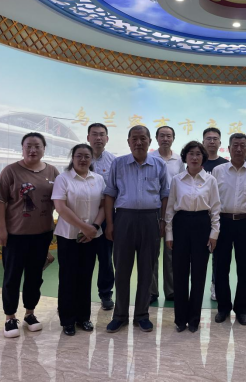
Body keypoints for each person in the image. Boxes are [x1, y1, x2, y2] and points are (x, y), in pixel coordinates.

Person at [0, 132, 59, 338]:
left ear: (44, 149)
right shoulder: (10, 171)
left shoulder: (52, 171)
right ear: (22, 149)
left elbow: (60, 201)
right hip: (15, 235)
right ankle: (10, 317)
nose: (33, 150)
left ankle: (30, 314)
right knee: (12, 277)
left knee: (34, 276)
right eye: (28, 146)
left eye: (37, 146)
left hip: (42, 234)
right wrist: (1, 228)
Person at [104, 126, 169, 334]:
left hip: (151, 219)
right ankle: (120, 316)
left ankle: (142, 315)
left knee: (147, 269)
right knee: (122, 269)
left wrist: (162, 220)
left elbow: (165, 195)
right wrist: (110, 223)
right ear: (128, 141)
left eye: (143, 138)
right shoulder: (118, 164)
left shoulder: (159, 164)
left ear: (150, 141)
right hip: (124, 218)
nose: (139, 142)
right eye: (134, 139)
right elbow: (109, 194)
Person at [165, 141, 221, 333]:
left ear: (203, 157)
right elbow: (170, 208)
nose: (195, 157)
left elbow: (215, 209)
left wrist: (214, 234)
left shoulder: (210, 180)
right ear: (185, 157)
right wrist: (169, 234)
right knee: (179, 273)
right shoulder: (177, 180)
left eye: (198, 154)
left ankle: (194, 319)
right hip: (181, 224)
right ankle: (180, 319)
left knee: (199, 273)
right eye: (191, 154)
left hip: (202, 225)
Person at [52, 144, 106, 336]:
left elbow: (103, 206)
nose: (83, 160)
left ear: (92, 159)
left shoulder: (98, 179)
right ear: (72, 158)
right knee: (68, 277)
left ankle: (83, 317)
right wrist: (85, 227)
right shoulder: (63, 178)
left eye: (86, 156)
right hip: (68, 235)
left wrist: (95, 227)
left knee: (85, 276)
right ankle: (67, 320)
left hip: (92, 236)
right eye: (79, 156)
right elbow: (60, 207)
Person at [212, 133, 246, 326]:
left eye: (242, 146)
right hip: (223, 223)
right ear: (229, 148)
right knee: (221, 267)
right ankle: (223, 308)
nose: (239, 149)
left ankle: (241, 309)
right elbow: (213, 199)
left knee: (244, 269)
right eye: (235, 145)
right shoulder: (218, 170)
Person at [150, 126, 185, 304]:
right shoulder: (150, 158)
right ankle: (151, 291)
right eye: (162, 136)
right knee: (152, 251)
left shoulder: (179, 160)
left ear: (173, 138)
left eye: (168, 136)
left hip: (174, 209)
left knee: (171, 251)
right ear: (156, 138)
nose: (165, 139)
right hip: (154, 207)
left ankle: (171, 290)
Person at [87, 123, 116, 311]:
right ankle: (76, 295)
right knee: (82, 259)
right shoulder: (80, 158)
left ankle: (105, 294)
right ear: (88, 137)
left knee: (105, 258)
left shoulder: (114, 162)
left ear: (107, 138)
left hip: (106, 216)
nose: (98, 138)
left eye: (102, 135)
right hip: (82, 217)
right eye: (94, 134)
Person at [202, 127, 228, 302]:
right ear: (203, 141)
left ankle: (215, 285)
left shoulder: (225, 164)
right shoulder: (196, 161)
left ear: (220, 142)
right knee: (198, 255)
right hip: (200, 216)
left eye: (215, 139)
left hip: (219, 216)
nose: (212, 141)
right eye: (208, 138)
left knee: (218, 255)